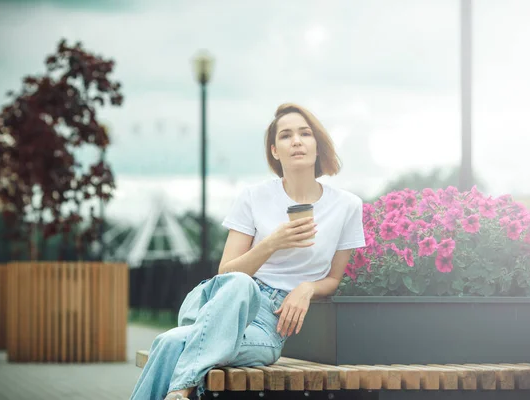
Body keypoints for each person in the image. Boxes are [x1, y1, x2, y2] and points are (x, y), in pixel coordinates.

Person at [130, 103, 366, 400]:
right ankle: (180, 390)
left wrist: (306, 288)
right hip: (228, 303)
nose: (296, 141)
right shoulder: (253, 197)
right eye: (286, 135)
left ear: (317, 146)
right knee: (241, 282)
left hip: (269, 327)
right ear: (274, 151)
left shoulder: (347, 206)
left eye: (305, 133)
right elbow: (227, 273)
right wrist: (272, 243)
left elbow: (333, 278)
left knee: (169, 342)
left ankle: (179, 390)